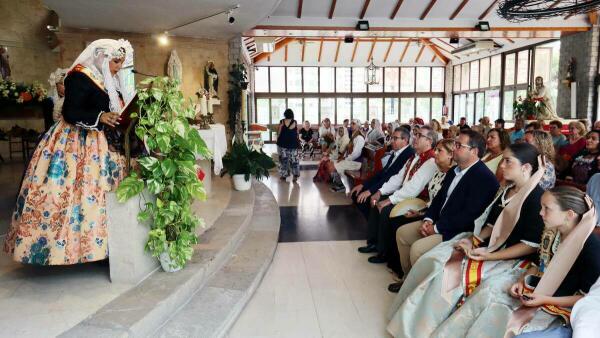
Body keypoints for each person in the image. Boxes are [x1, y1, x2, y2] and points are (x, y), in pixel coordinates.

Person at [387, 144, 546, 337]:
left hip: (511, 258)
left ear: (526, 167)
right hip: (490, 247)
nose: (501, 166)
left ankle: (433, 329)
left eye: (507, 161)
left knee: (449, 277)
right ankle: (414, 321)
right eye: (502, 160)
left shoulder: (536, 198)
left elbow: (529, 246)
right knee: (435, 260)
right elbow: (490, 224)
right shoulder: (508, 190)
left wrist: (490, 255)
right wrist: (474, 240)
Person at [3, 39, 131, 265]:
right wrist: (100, 116)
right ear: (102, 56)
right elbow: (71, 111)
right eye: (115, 61)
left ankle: (99, 247)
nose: (118, 67)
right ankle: (63, 249)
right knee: (66, 193)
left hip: (99, 142)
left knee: (97, 192)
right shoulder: (79, 75)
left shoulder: (107, 78)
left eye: (120, 62)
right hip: (72, 143)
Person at [433, 186, 599, 338]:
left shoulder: (591, 248)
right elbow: (538, 263)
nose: (540, 213)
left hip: (560, 305)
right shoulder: (552, 232)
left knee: (501, 314)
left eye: (546, 209)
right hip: (537, 291)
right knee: (488, 294)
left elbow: (586, 298)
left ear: (569, 214)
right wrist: (521, 281)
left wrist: (544, 299)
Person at [393, 130, 499, 277]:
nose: (454, 148)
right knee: (402, 234)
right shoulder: (454, 171)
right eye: (454, 144)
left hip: (458, 231)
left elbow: (469, 215)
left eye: (459, 145)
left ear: (474, 151)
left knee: (417, 249)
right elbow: (438, 199)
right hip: (439, 222)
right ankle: (407, 279)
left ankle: (416, 290)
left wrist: (436, 228)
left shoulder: (484, 178)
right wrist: (428, 219)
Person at [360, 127, 438, 263]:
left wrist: (390, 200)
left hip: (417, 200)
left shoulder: (430, 161)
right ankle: (374, 243)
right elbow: (398, 178)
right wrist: (380, 192)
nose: (415, 137)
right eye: (416, 134)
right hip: (404, 195)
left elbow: (414, 188)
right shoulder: (415, 156)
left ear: (429, 141)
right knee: (375, 202)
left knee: (385, 210)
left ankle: (384, 252)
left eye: (419, 135)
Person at [385, 139, 455, 281]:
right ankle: (403, 272)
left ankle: (407, 275)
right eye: (435, 150)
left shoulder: (452, 175)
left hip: (441, 220)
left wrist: (427, 218)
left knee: (398, 222)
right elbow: (433, 201)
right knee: (396, 222)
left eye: (439, 151)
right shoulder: (438, 172)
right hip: (429, 211)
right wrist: (421, 213)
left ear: (450, 156)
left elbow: (445, 205)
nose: (435, 153)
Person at [350, 127, 414, 220]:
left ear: (405, 140)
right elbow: (382, 173)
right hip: (384, 183)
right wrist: (363, 185)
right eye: (392, 138)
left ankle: (373, 226)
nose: (391, 141)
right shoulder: (396, 152)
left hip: (393, 189)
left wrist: (370, 191)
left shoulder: (408, 154)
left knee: (365, 199)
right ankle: (371, 224)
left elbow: (390, 178)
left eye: (395, 138)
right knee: (356, 193)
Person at [330, 119, 365, 192]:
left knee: (338, 164)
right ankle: (342, 184)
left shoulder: (359, 138)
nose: (351, 125)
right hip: (351, 161)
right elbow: (348, 150)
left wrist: (345, 159)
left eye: (353, 124)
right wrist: (343, 158)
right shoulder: (353, 136)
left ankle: (345, 186)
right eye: (351, 124)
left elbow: (356, 154)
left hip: (357, 163)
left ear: (358, 126)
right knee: (336, 162)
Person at [276, 109, 300, 182]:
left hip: (283, 143)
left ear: (285, 114)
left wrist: (277, 138)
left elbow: (279, 132)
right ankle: (295, 175)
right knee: (294, 159)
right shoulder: (295, 122)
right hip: (293, 143)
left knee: (284, 159)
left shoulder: (282, 121)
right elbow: (297, 133)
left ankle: (284, 175)